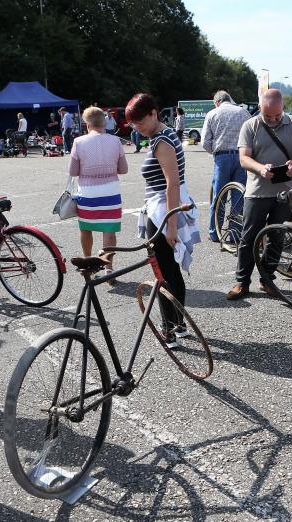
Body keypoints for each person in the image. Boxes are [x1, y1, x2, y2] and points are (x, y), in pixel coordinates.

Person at [126, 93, 200, 346]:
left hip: (163, 213)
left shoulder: (162, 141)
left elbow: (172, 185)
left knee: (163, 274)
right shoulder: (164, 135)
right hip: (161, 210)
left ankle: (169, 328)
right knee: (171, 271)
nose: (136, 127)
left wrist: (170, 225)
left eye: (139, 121)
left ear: (153, 113)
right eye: (133, 123)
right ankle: (178, 325)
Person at [227, 89, 292, 300]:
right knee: (249, 237)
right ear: (260, 108)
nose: (273, 120)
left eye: (277, 116)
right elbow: (244, 158)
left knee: (277, 236)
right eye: (268, 116)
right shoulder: (251, 125)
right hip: (256, 191)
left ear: (283, 108)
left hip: (284, 191)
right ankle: (242, 281)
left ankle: (267, 279)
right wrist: (261, 168)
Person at [68, 107, 128, 282]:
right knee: (109, 231)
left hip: (88, 192)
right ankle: (109, 270)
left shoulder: (79, 142)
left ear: (87, 124)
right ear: (104, 122)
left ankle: (87, 262)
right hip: (111, 191)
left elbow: (73, 171)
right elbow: (123, 169)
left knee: (86, 228)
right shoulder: (116, 141)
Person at [201, 90, 252, 242]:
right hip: (241, 157)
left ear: (216, 102)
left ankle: (214, 233)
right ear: (229, 99)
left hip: (222, 157)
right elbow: (252, 136)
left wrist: (215, 152)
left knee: (219, 197)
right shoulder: (244, 113)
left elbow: (205, 142)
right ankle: (235, 234)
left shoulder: (212, 114)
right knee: (239, 197)